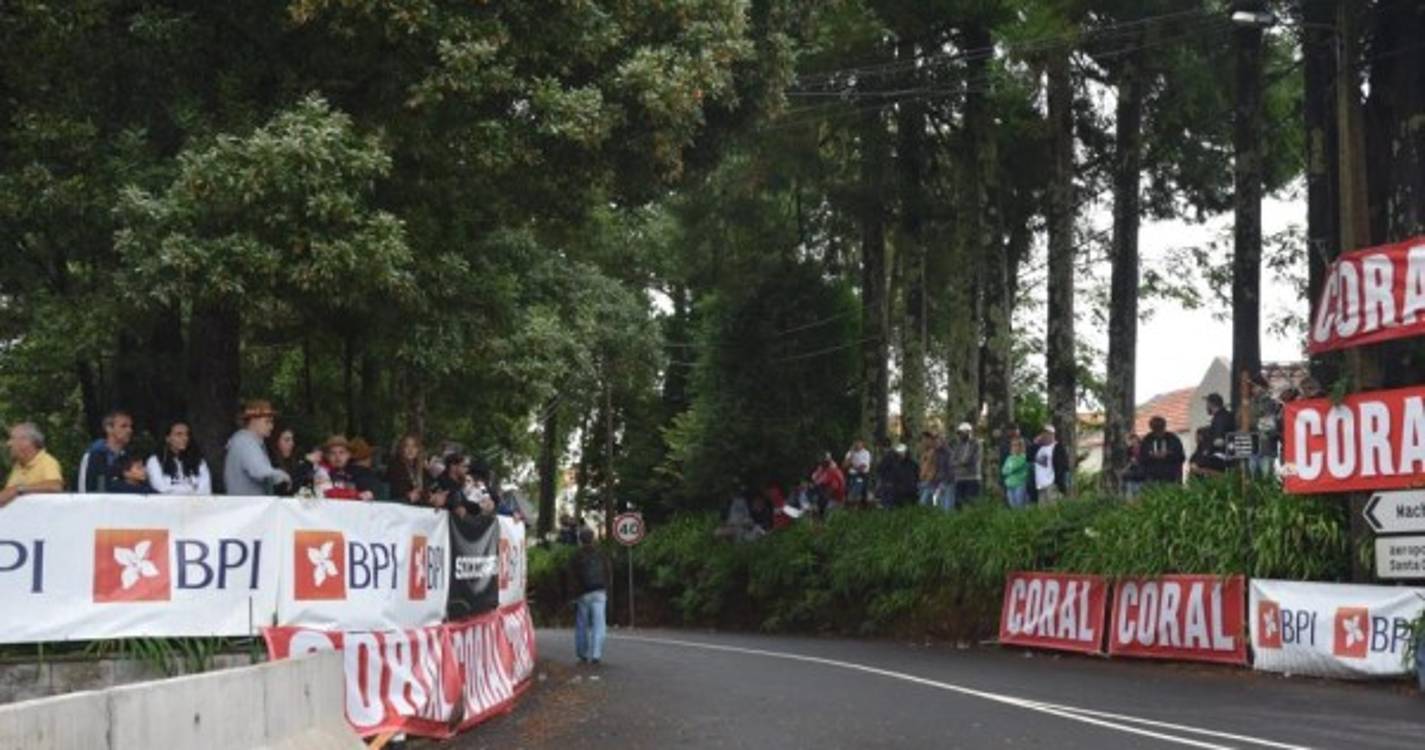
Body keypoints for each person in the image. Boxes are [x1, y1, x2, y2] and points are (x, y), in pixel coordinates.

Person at [225, 400, 292, 496]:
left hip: (248, 507)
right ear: (253, 420)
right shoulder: (245, 442)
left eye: (272, 422)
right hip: (248, 508)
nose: (271, 426)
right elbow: (259, 471)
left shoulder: (248, 441)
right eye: (267, 421)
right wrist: (283, 476)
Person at [569, 528, 611, 665]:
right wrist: (606, 589)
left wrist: (573, 595)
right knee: (599, 624)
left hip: (584, 593)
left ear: (580, 540)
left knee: (582, 624)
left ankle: (582, 654)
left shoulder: (576, 555)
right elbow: (608, 573)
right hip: (600, 592)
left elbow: (572, 577)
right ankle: (596, 654)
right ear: (593, 538)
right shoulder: (601, 554)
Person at [1, 422, 64, 507]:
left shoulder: (46, 461)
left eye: (12, 439)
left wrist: (18, 489)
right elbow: (8, 495)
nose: (8, 444)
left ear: (26, 442)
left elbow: (55, 486)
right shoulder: (18, 466)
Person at [146, 421, 212, 495]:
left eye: (187, 434)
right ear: (167, 438)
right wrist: (189, 489)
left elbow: (205, 490)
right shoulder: (155, 460)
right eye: (179, 434)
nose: (185, 438)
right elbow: (160, 488)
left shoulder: (199, 461)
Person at [78, 409, 132, 493]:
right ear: (109, 428)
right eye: (124, 426)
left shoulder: (127, 457)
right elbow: (86, 489)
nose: (129, 430)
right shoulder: (94, 454)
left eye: (130, 426)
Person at [313, 435, 372, 501]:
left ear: (348, 455)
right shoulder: (321, 470)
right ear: (327, 456)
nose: (337, 457)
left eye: (342, 452)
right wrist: (357, 495)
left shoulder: (355, 473)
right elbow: (328, 493)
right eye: (333, 453)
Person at [1139, 416, 1186, 486]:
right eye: (1155, 430)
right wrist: (1151, 456)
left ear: (1164, 427)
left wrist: (1167, 455)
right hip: (1152, 478)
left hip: (1171, 477)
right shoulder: (1147, 440)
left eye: (1160, 429)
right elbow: (1141, 458)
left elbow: (1181, 457)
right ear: (1151, 428)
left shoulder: (1173, 439)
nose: (1158, 433)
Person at [386, 434, 428, 506]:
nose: (410, 450)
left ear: (418, 450)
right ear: (402, 449)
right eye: (407, 446)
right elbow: (395, 490)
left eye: (414, 446)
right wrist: (408, 495)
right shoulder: (395, 466)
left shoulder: (421, 469)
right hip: (400, 506)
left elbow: (427, 487)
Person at [1033, 426, 1070, 505]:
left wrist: (1059, 482)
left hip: (1052, 483)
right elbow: (1029, 457)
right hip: (1040, 484)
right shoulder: (1039, 448)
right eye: (1043, 434)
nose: (1044, 436)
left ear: (1052, 435)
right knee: (1042, 511)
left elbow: (1063, 466)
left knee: (1054, 507)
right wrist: (1035, 444)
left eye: (1046, 434)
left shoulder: (1057, 447)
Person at [950, 423, 982, 504]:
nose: (960, 435)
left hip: (972, 477)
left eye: (962, 433)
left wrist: (959, 463)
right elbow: (951, 461)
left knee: (971, 502)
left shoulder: (976, 444)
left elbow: (968, 460)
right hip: (959, 477)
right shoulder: (957, 445)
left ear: (968, 432)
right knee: (958, 503)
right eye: (959, 433)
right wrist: (960, 463)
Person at [1001, 437, 1031, 509]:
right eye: (1013, 445)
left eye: (1016, 445)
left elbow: (1014, 467)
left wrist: (1009, 469)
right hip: (1010, 485)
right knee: (1013, 507)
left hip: (1019, 485)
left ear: (1021, 446)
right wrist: (1008, 469)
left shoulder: (1023, 457)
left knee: (1020, 508)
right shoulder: (1009, 458)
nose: (1014, 447)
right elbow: (1003, 471)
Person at [1204, 393, 1234, 459]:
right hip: (1228, 453)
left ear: (1211, 404)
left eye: (1207, 404)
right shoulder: (1226, 415)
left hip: (1221, 455)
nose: (1206, 406)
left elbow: (1219, 441)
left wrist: (1208, 451)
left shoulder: (1220, 418)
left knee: (1200, 462)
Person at [843, 440, 872, 507]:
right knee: (849, 491)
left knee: (862, 492)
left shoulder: (866, 453)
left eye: (859, 443)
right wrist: (851, 456)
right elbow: (844, 465)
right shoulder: (850, 453)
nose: (857, 444)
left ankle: (863, 506)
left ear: (863, 444)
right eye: (856, 443)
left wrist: (852, 466)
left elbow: (863, 467)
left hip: (862, 475)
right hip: (851, 475)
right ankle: (849, 505)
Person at [917, 432, 939, 508]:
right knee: (925, 504)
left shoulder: (935, 452)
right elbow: (922, 466)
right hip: (922, 481)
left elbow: (936, 466)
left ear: (929, 439)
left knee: (923, 503)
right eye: (922, 440)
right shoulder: (923, 452)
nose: (923, 442)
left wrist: (931, 478)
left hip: (931, 482)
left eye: (924, 439)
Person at [1121, 433, 1146, 500]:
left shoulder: (1143, 448)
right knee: (1130, 488)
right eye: (1131, 441)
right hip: (1132, 472)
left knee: (1139, 490)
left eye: (1134, 440)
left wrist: (1137, 462)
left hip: (1141, 472)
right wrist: (1126, 469)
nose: (1133, 442)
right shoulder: (1129, 450)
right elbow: (1129, 461)